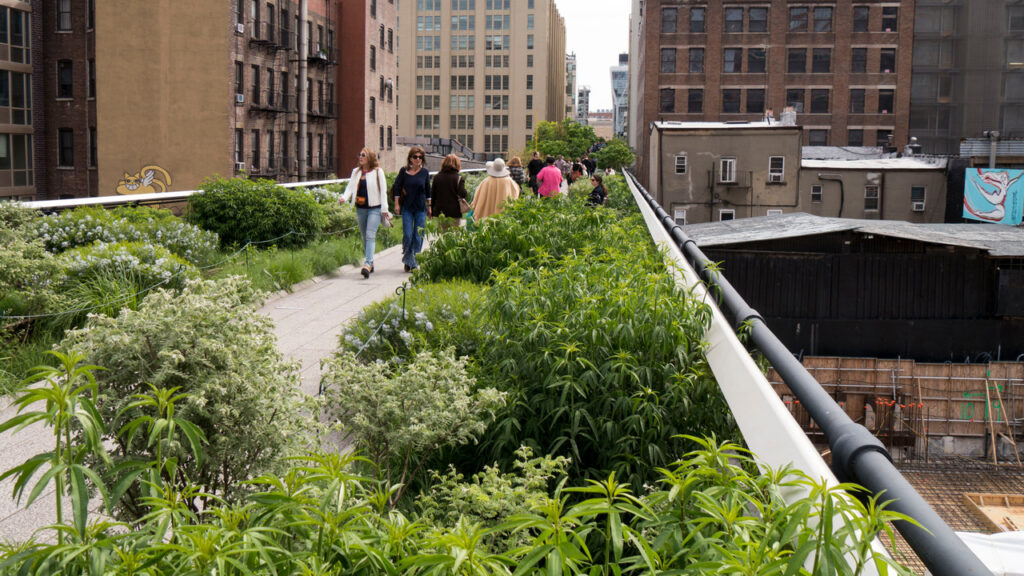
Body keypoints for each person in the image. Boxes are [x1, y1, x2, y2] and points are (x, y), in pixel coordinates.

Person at [342, 148, 392, 278]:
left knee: (370, 235)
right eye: (359, 154)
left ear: (369, 157)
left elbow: (383, 191)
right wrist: (344, 198)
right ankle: (371, 262)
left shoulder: (378, 172)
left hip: (375, 208)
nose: (360, 157)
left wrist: (384, 209)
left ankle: (368, 263)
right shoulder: (356, 172)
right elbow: (350, 187)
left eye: (363, 155)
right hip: (360, 208)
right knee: (364, 236)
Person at [392, 146, 432, 272]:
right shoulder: (404, 171)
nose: (418, 159)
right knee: (408, 235)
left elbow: (428, 191)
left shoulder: (425, 173)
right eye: (415, 157)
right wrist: (397, 204)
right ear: (410, 158)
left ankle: (412, 261)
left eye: (420, 157)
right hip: (407, 207)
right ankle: (409, 258)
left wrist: (430, 207)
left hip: (420, 207)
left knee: (418, 235)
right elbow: (397, 187)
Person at [431, 154, 467, 231]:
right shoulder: (458, 178)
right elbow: (463, 194)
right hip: (454, 212)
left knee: (443, 236)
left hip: (440, 212)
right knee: (454, 236)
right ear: (457, 164)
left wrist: (431, 210)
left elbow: (433, 195)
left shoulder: (437, 177)